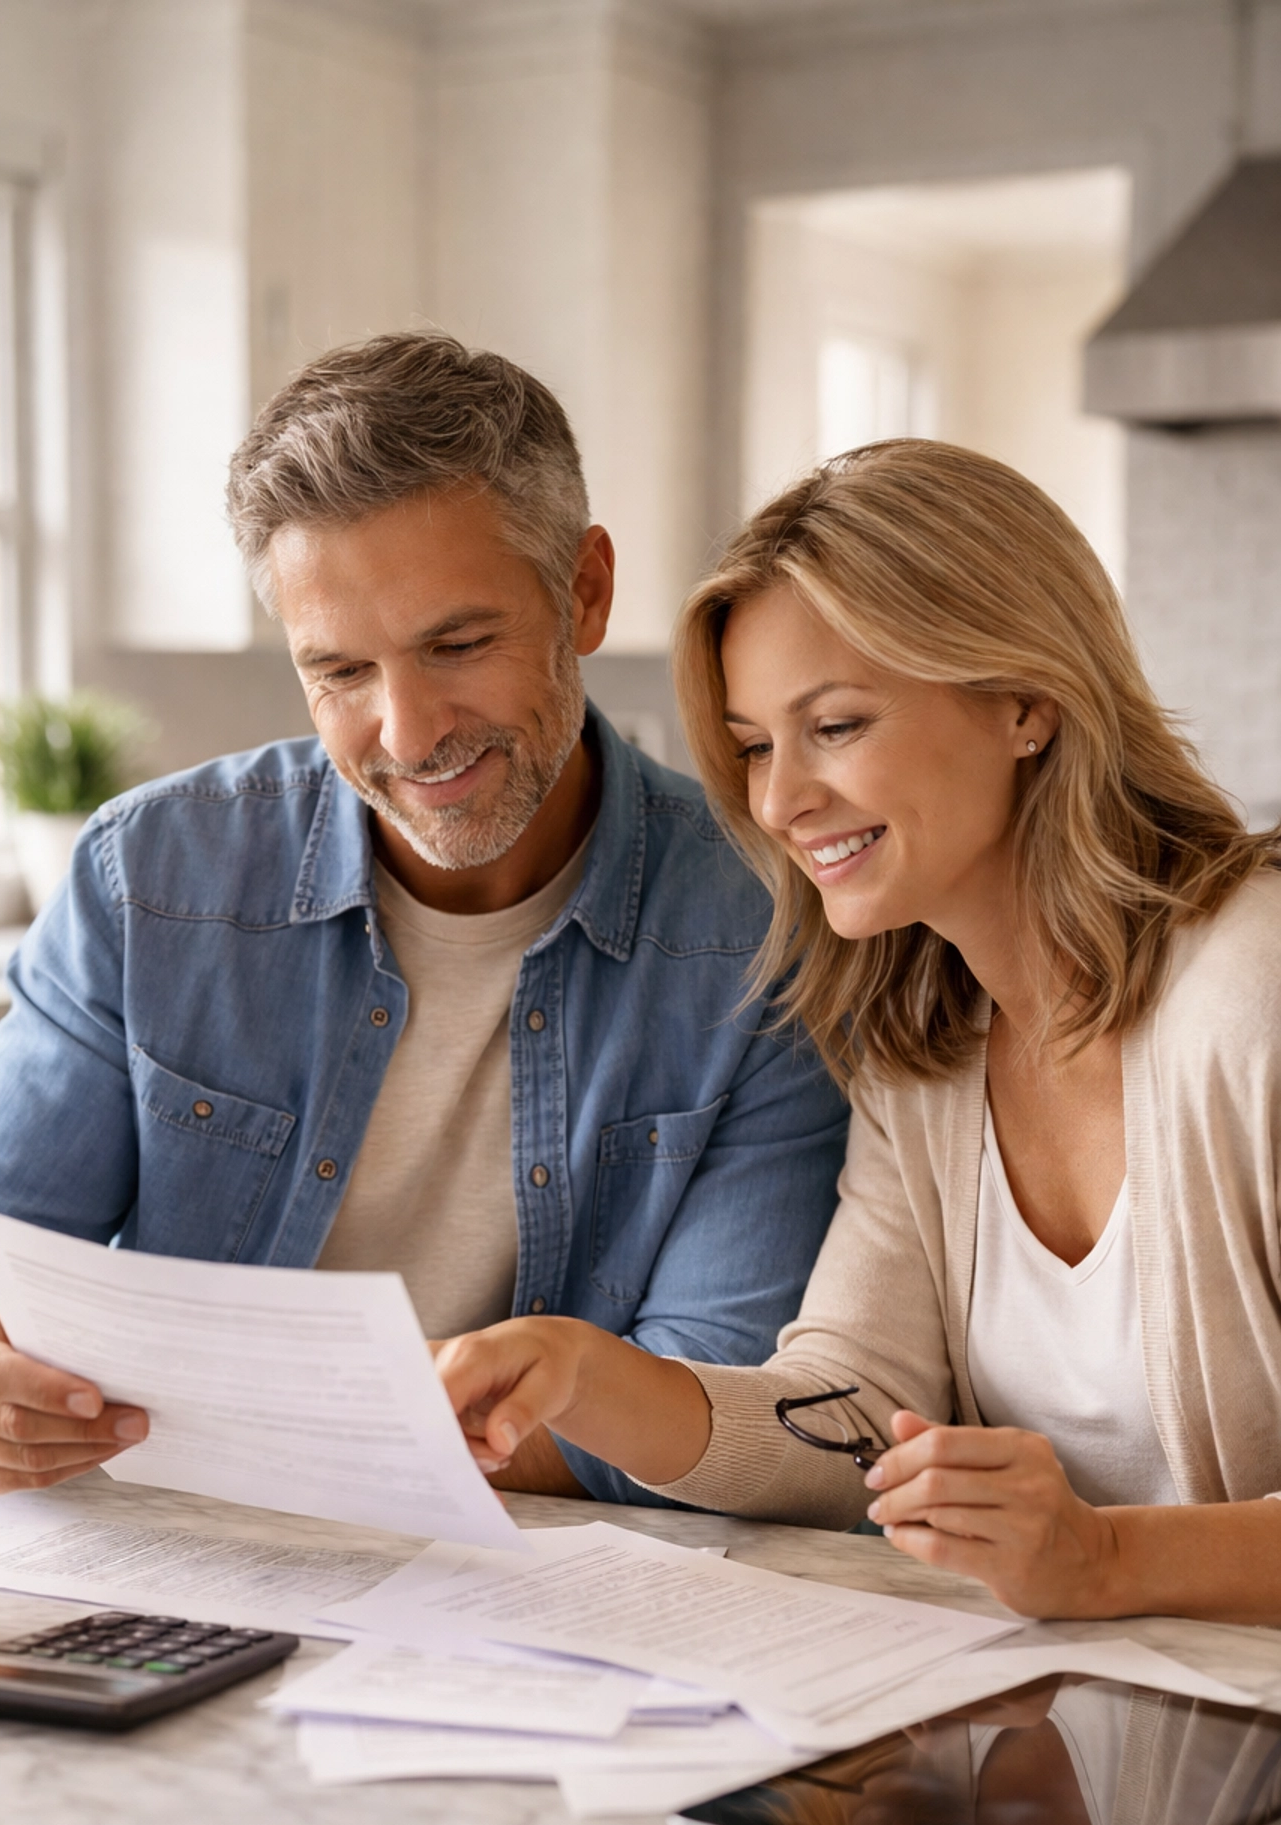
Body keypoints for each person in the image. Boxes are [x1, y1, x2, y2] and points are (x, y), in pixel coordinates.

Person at [0, 332, 847, 1500]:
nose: (410, 733)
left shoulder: (767, 924)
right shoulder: (155, 876)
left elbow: (703, 1412)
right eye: (339, 672)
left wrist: (299, 1440)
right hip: (192, 1563)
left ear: (584, 591)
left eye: (458, 645)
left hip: (554, 1601)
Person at [437, 437, 1281, 1621]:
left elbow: (1089, 1561)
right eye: (752, 747)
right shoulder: (924, 1045)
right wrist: (586, 1374)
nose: (780, 802)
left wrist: (1107, 1561)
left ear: (1025, 701)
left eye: (835, 726)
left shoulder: (1256, 999)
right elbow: (846, 1416)